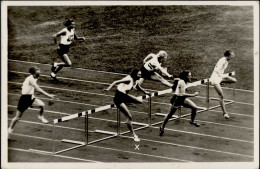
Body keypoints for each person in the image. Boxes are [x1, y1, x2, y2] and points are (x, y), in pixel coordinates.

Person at [103, 69, 150, 142]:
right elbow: (115, 82)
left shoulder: (135, 80)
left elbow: (137, 86)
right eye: (139, 75)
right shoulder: (128, 79)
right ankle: (134, 135)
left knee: (140, 101)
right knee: (129, 116)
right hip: (119, 99)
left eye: (141, 74)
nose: (141, 76)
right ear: (135, 74)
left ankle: (127, 112)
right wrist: (108, 89)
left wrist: (145, 92)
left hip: (125, 96)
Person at [8, 67, 55, 139]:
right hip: (24, 99)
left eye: (39, 73)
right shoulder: (30, 79)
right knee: (17, 117)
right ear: (33, 73)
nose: (39, 75)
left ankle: (40, 117)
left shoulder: (35, 77)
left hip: (31, 97)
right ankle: (9, 131)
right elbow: (38, 89)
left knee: (42, 105)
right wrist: (49, 95)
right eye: (37, 74)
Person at [159, 70, 205, 136]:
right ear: (185, 77)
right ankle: (162, 127)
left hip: (182, 99)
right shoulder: (182, 82)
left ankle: (192, 121)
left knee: (194, 108)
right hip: (177, 99)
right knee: (169, 115)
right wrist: (193, 95)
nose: (190, 77)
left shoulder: (184, 81)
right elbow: (182, 94)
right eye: (189, 76)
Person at [210, 50, 237, 119]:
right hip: (215, 78)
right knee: (221, 96)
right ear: (228, 55)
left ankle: (221, 82)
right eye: (232, 54)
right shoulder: (223, 60)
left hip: (220, 76)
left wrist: (222, 76)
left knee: (234, 80)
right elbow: (216, 69)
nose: (233, 55)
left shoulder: (226, 60)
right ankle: (225, 113)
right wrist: (221, 76)